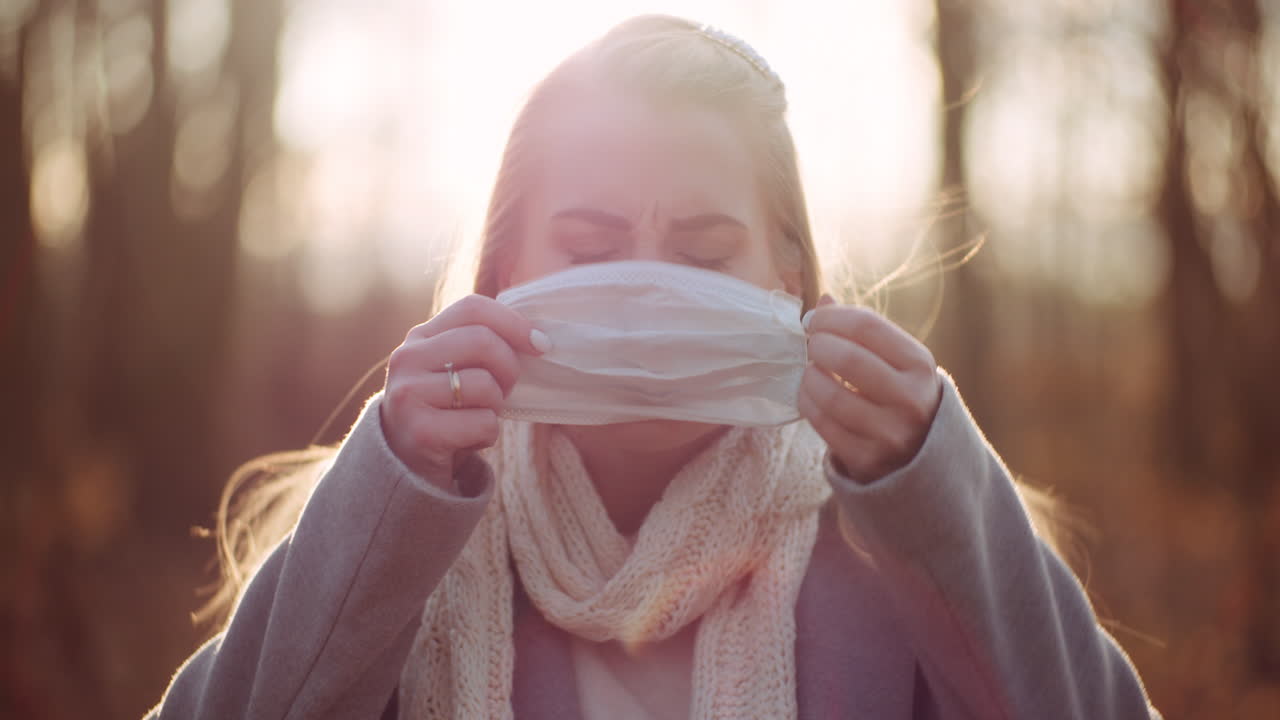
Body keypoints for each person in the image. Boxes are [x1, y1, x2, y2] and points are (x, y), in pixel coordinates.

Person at [146, 14, 1160, 720]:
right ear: (501, 275)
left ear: (787, 275)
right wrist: (388, 491)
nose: (643, 290)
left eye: (703, 253)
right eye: (588, 247)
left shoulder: (884, 549)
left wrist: (938, 496)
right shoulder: (400, 535)